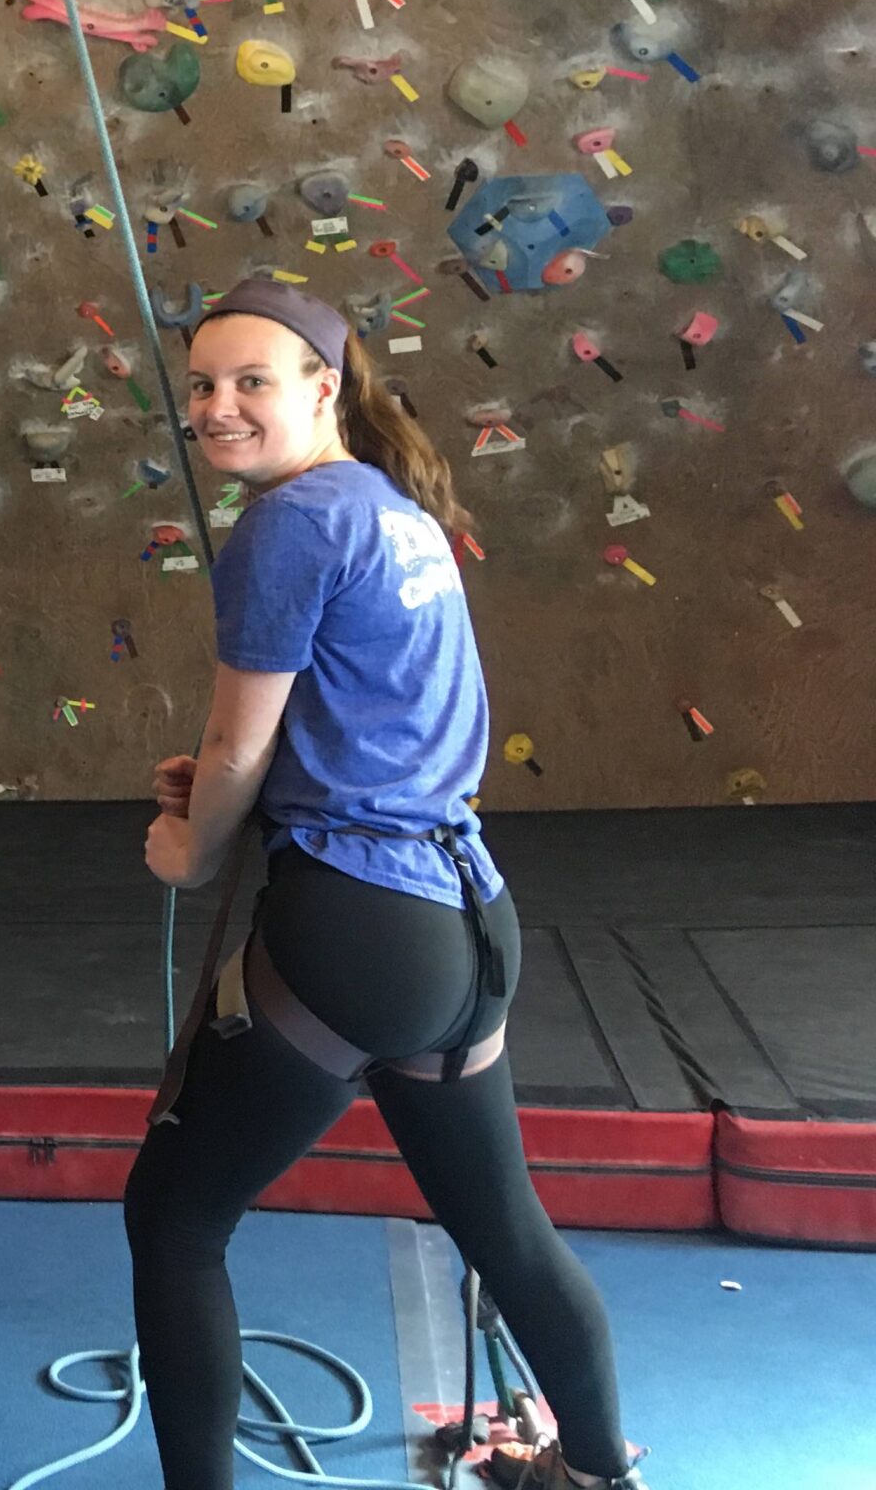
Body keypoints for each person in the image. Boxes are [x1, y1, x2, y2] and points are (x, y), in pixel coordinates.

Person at [125, 280, 649, 1489]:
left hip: (360, 928)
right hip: (464, 920)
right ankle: (597, 1478)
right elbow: (363, 713)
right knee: (505, 1232)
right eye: (202, 386)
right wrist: (246, 780)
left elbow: (240, 747)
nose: (215, 408)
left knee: (173, 1223)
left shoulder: (286, 524)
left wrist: (190, 845)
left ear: (323, 386)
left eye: (250, 382)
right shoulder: (387, 507)